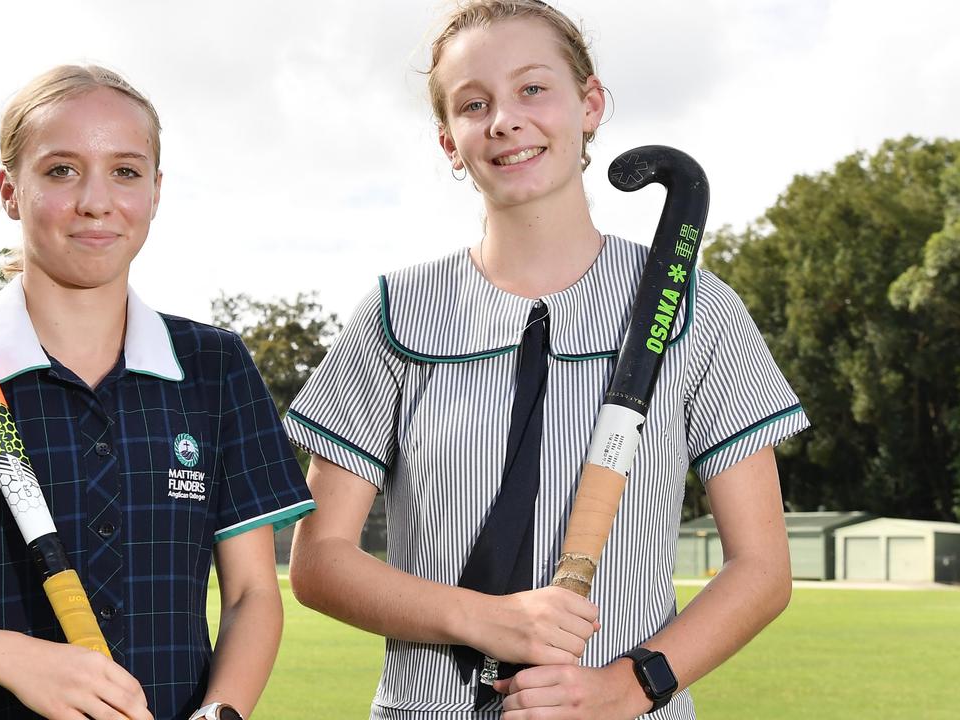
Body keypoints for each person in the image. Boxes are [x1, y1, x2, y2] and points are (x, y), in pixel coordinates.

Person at [284, 2, 808, 718]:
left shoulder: (699, 310)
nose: (504, 119)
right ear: (448, 141)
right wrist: (484, 618)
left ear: (589, 103)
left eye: (533, 88)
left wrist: (628, 687)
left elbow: (761, 570)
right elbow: (319, 563)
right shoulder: (392, 314)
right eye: (474, 104)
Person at [0, 64, 314, 720]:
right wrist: (14, 658)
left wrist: (222, 712)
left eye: (125, 171)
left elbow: (249, 595)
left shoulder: (215, 369)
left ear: (156, 191)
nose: (95, 201)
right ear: (11, 190)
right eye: (61, 170)